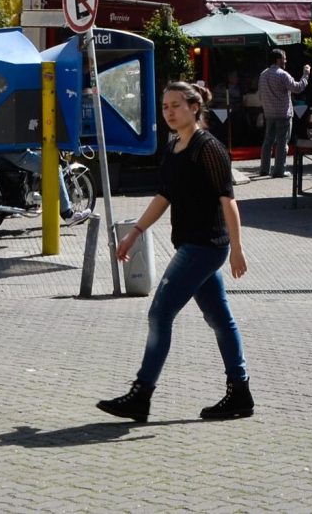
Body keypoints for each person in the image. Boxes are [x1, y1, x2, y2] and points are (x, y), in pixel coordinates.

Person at [97, 80, 250, 424]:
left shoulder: (207, 148)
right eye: (165, 106)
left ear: (195, 107)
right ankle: (240, 391)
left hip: (205, 246)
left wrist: (238, 249)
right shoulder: (173, 148)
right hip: (191, 244)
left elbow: (229, 202)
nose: (169, 112)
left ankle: (141, 394)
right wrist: (135, 232)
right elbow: (164, 197)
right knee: (219, 318)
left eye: (176, 105)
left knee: (159, 314)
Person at [256, 50, 310, 178]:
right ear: (278, 59)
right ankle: (279, 171)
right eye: (284, 58)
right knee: (282, 142)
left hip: (269, 113)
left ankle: (264, 169)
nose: (286, 61)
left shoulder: (263, 74)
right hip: (283, 114)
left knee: (268, 141)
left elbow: (261, 93)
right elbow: (297, 88)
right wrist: (306, 75)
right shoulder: (282, 74)